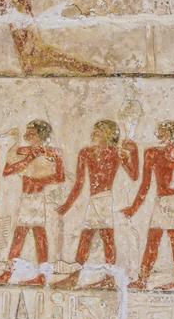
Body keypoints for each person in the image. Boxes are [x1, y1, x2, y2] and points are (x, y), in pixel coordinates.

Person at [54, 120, 139, 288]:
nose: (95, 134)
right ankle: (78, 277)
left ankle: (108, 278)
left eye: (100, 131)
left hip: (105, 199)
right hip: (95, 201)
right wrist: (67, 205)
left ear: (108, 134)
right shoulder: (85, 152)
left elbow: (134, 175)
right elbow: (79, 182)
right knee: (89, 238)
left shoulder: (116, 153)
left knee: (105, 238)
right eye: (95, 130)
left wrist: (133, 154)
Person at [123, 122, 174, 289]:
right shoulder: (151, 153)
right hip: (161, 201)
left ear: (173, 136)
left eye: (164, 133)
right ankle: (143, 279)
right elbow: (145, 183)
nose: (159, 135)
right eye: (159, 132)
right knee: (153, 240)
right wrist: (134, 207)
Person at [0, 120, 65, 286]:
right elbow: (8, 170)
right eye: (28, 131)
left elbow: (60, 177)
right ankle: (14, 273)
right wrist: (31, 157)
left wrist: (41, 181)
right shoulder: (23, 151)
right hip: (26, 197)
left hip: (39, 198)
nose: (28, 135)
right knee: (25, 234)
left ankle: (37, 275)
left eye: (32, 132)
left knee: (35, 234)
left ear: (41, 135)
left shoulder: (52, 152)